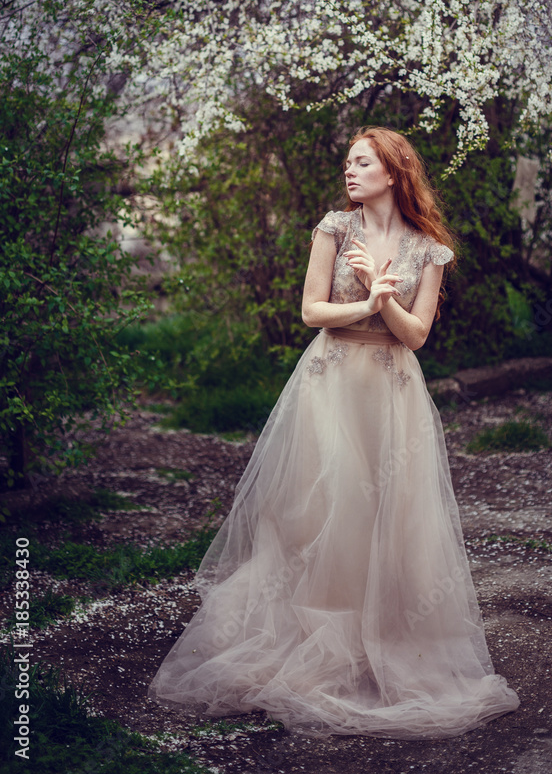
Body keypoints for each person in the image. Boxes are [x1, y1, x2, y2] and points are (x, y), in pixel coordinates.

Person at [147, 126, 520, 739]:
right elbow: (311, 312)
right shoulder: (333, 227)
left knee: (392, 515)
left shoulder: (429, 249)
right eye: (347, 161)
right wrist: (365, 304)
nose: (350, 171)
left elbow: (418, 335)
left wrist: (384, 295)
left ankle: (391, 640)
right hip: (330, 383)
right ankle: (317, 641)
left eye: (363, 162)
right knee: (319, 509)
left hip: (392, 389)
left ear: (395, 172)